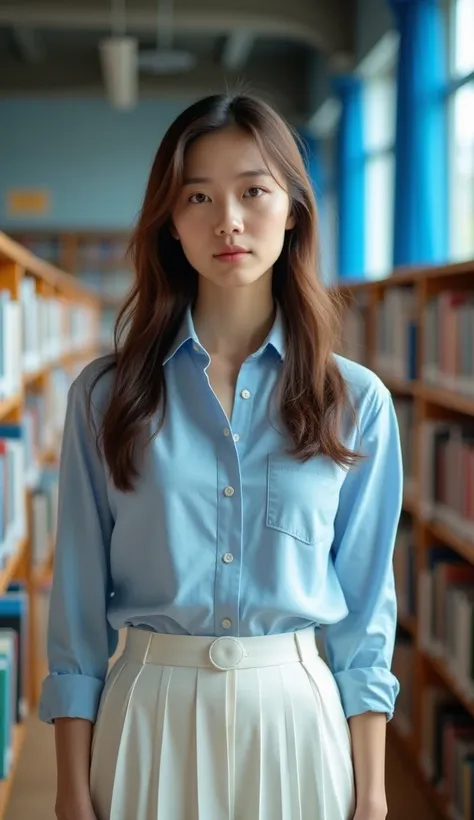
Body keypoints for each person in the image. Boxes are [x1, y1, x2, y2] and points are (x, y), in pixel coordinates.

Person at [39, 93, 403, 820]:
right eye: (198, 196)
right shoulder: (104, 396)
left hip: (298, 722)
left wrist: (372, 795)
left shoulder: (355, 401)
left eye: (253, 191)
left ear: (294, 209)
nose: (228, 220)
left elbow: (365, 617)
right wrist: (71, 790)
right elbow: (75, 605)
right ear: (170, 223)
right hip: (148, 716)